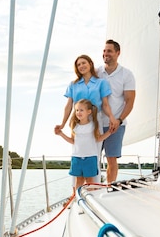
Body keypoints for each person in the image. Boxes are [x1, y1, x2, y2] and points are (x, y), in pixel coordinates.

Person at [97, 39, 136, 184]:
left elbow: (130, 101)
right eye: (104, 51)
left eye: (109, 51)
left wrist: (119, 120)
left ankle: (109, 187)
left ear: (117, 53)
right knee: (91, 157)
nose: (106, 54)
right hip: (96, 123)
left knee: (111, 159)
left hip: (116, 124)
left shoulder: (126, 74)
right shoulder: (97, 72)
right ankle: (91, 187)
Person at [55, 99, 112, 192]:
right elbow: (72, 141)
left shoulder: (93, 125)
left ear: (89, 112)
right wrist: (61, 134)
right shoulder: (75, 126)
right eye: (77, 110)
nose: (78, 112)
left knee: (90, 180)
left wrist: (109, 132)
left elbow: (98, 139)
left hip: (90, 157)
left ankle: (91, 198)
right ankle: (77, 198)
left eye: (81, 110)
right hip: (77, 157)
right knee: (79, 180)